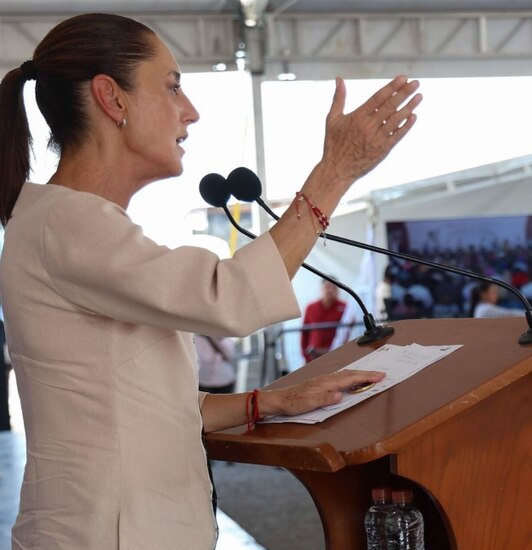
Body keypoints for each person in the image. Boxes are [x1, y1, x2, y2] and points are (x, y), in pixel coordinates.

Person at [0, 13, 420, 549]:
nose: (190, 111)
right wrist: (335, 172)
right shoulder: (67, 223)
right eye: (173, 86)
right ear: (113, 99)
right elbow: (231, 298)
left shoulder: (72, 225)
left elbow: (149, 403)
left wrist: (269, 403)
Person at [301, 279, 347, 362]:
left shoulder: (344, 307)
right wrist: (306, 356)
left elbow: (347, 331)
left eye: (333, 287)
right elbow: (304, 333)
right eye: (327, 287)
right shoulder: (311, 308)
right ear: (322, 289)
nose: (330, 290)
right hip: (314, 354)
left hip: (335, 354)